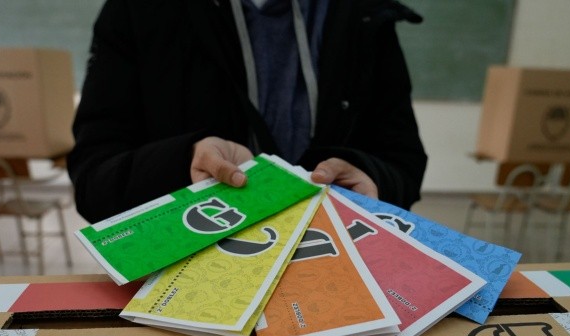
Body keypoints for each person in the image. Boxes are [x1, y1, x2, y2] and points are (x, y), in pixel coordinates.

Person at [67, 0, 428, 224]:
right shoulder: (139, 11)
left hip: (337, 273)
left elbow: (402, 161)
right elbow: (94, 181)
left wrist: (372, 180)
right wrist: (183, 164)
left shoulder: (365, 14)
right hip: (193, 285)